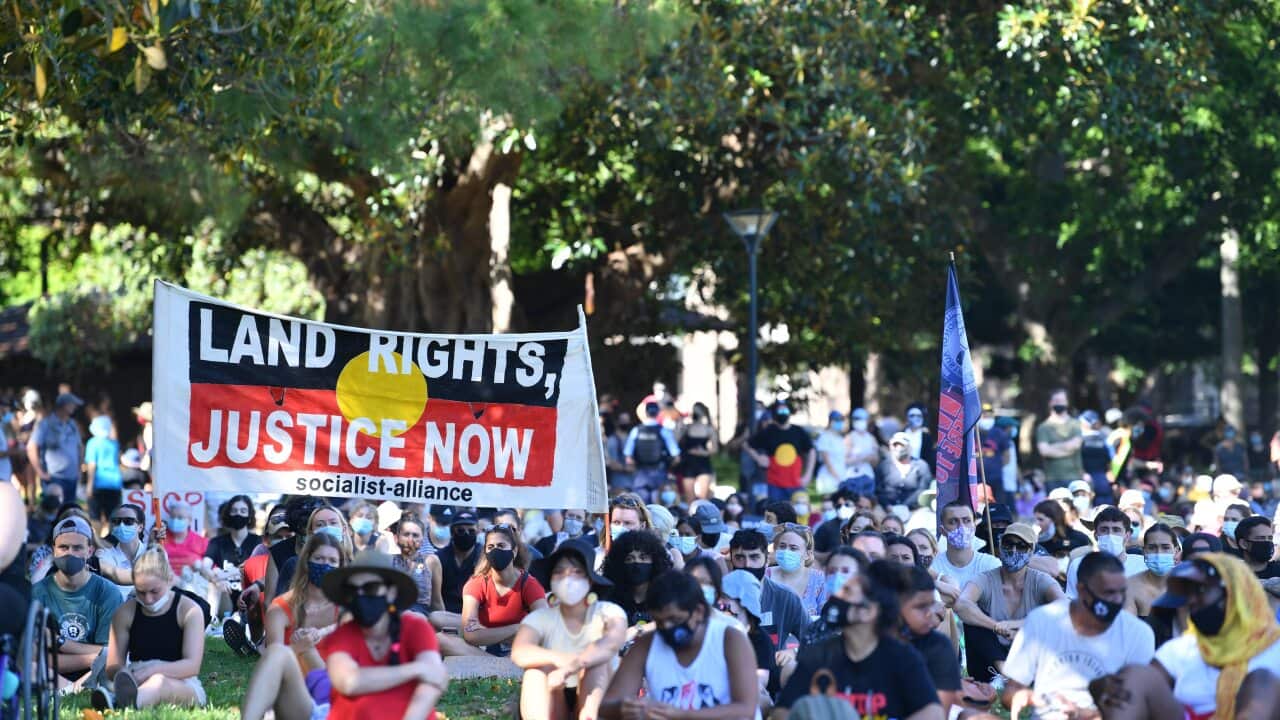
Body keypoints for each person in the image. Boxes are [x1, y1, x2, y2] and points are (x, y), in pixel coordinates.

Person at [1092, 553, 1280, 720]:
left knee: (1262, 680)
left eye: (1201, 591)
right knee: (1137, 674)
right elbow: (1138, 686)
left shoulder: (1274, 647)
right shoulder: (1183, 648)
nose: (1191, 600)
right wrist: (1108, 686)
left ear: (1232, 594)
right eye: (1189, 594)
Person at [775, 560, 944, 720]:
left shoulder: (902, 657)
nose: (836, 597)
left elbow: (933, 712)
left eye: (847, 592)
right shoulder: (819, 655)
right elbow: (781, 711)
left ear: (868, 611)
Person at [1001, 552, 1155, 720]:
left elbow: (1138, 706)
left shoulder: (1138, 634)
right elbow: (1010, 693)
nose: (1116, 600)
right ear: (1082, 590)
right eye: (1108, 593)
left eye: (1121, 592)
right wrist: (1028, 697)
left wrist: (1083, 714)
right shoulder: (1041, 621)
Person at [600, 570, 759, 719]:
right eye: (659, 622)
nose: (667, 627)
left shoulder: (730, 639)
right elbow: (605, 706)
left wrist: (683, 715)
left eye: (675, 619)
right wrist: (625, 708)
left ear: (699, 612)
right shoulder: (647, 644)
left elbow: (746, 709)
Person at [512, 539, 626, 720]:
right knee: (536, 672)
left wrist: (574, 665)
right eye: (559, 572)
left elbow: (611, 643)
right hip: (555, 690)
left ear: (590, 579)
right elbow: (520, 651)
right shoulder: (540, 618)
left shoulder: (609, 612)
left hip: (600, 691)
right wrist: (558, 659)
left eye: (577, 572)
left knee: (596, 666)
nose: (568, 579)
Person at [93, 548, 206, 710]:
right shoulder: (124, 612)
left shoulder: (189, 610)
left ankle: (118, 704)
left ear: (169, 580)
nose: (148, 599)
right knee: (150, 683)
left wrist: (153, 669)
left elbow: (192, 666)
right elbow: (112, 667)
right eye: (141, 592)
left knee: (159, 683)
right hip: (136, 677)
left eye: (155, 591)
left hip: (183, 683)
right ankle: (125, 699)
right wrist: (126, 674)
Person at [955, 522, 1064, 681]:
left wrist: (1017, 625)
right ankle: (1004, 673)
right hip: (990, 664)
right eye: (1008, 543)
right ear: (1000, 546)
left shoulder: (1040, 580)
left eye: (1021, 546)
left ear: (1031, 551)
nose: (1013, 550)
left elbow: (1065, 608)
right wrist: (996, 626)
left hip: (1030, 653)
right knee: (972, 619)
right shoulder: (985, 578)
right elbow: (961, 604)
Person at [31, 516, 124, 687]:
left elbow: (112, 653)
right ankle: (73, 689)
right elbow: (34, 653)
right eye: (63, 547)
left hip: (92, 673)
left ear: (90, 551)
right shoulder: (37, 593)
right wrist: (94, 658)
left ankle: (71, 689)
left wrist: (60, 642)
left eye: (77, 548)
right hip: (49, 672)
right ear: (54, 550)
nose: (70, 554)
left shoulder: (108, 593)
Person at [265, 530, 346, 700]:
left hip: (336, 691)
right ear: (307, 562)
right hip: (293, 691)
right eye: (319, 559)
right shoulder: (280, 608)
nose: (325, 565)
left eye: (332, 561)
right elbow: (271, 664)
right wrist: (298, 647)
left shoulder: (346, 607)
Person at [877, 562, 964, 716]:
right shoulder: (869, 641)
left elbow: (938, 712)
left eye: (932, 605)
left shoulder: (938, 645)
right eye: (920, 606)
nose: (930, 613)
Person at [461, 523, 548, 653]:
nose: (495, 550)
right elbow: (470, 635)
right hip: (485, 649)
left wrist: (486, 634)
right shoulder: (476, 583)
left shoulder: (529, 584)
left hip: (519, 649)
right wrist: (518, 628)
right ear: (485, 552)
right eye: (490, 547)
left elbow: (545, 628)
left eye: (501, 546)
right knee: (442, 638)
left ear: (514, 551)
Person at [729, 529, 809, 649]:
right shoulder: (718, 597)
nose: (747, 564)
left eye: (754, 557)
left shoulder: (785, 598)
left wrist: (793, 652)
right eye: (740, 558)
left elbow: (814, 639)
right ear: (731, 560)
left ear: (766, 561)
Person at [719, 570, 779, 711]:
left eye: (726, 598)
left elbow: (759, 682)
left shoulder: (761, 640)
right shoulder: (716, 633)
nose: (719, 603)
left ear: (743, 602)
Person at [1065, 506, 1149, 598]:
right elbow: (1071, 600)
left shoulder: (1142, 565)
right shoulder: (1078, 565)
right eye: (1104, 530)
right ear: (1096, 535)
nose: (1110, 535)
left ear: (1127, 535)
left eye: (1116, 530)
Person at [930, 501, 1000, 608]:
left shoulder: (991, 565)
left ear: (974, 527)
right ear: (942, 530)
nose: (961, 527)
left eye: (966, 521)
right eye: (953, 522)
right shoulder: (933, 567)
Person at [601, 529, 673, 628]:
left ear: (655, 561)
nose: (637, 563)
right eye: (630, 559)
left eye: (643, 558)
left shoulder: (666, 597)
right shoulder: (609, 598)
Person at [1124, 523, 1182, 647]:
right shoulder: (1130, 587)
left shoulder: (1185, 586)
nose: (1159, 553)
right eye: (1152, 548)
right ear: (1144, 551)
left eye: (1165, 548)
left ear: (1176, 551)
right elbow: (1129, 633)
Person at [746, 402, 815, 503]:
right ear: (774, 414)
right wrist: (758, 458)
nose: (782, 413)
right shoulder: (769, 431)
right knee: (775, 509)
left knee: (799, 509)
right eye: (779, 411)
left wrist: (808, 474)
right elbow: (747, 445)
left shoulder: (798, 431)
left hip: (796, 482)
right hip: (774, 484)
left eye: (785, 410)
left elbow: (811, 451)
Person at [27, 391, 84, 502]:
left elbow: (80, 447)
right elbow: (31, 447)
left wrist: (79, 469)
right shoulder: (45, 424)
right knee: (54, 510)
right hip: (54, 477)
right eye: (73, 404)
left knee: (69, 510)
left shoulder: (72, 424)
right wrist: (40, 472)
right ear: (65, 405)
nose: (75, 407)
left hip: (72, 477)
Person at [764, 523, 826, 617]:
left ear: (807, 554)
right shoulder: (764, 576)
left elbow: (825, 617)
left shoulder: (819, 580)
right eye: (782, 546)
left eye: (793, 548)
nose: (786, 552)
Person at [624, 401, 680, 502]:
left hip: (641, 474)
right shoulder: (664, 431)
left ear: (645, 413)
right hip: (660, 473)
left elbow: (628, 459)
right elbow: (676, 457)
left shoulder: (636, 431)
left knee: (642, 505)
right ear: (658, 413)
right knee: (658, 506)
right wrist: (669, 467)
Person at [390, 514, 444, 616]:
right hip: (395, 612)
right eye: (406, 534)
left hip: (421, 613)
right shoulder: (389, 561)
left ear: (422, 539)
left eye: (415, 535)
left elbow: (436, 600)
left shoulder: (431, 561)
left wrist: (443, 620)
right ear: (396, 538)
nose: (410, 539)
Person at [95, 502, 149, 598]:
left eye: (128, 521)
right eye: (117, 521)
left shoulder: (153, 553)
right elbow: (113, 592)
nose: (121, 525)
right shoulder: (104, 555)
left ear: (140, 527)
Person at [1036, 389, 1084, 491]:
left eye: (1062, 400)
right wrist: (1068, 449)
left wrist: (1052, 447)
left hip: (1075, 476)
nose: (1059, 403)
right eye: (1056, 401)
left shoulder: (1075, 424)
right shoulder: (1043, 427)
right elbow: (1044, 451)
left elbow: (1076, 445)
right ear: (1050, 403)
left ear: (1067, 402)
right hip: (1052, 479)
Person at [205, 494, 262, 577]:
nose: (238, 514)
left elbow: (261, 568)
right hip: (223, 584)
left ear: (250, 517)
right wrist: (215, 579)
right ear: (228, 515)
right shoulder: (216, 543)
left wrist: (229, 573)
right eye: (234, 511)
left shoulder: (259, 543)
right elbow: (205, 566)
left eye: (243, 511)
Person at [876, 432, 933, 508]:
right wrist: (887, 506)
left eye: (902, 445)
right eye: (895, 445)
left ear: (910, 447)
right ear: (890, 447)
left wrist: (906, 506)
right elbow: (878, 490)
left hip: (914, 509)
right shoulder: (883, 465)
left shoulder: (921, 466)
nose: (898, 448)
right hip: (886, 508)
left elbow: (922, 489)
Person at [84, 414, 123, 524]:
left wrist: (89, 485)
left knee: (95, 518)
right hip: (115, 483)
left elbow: (92, 464)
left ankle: (96, 535)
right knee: (113, 518)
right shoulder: (114, 444)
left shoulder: (92, 443)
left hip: (98, 484)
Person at [676, 402, 719, 501]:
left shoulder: (708, 429)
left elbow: (715, 449)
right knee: (689, 498)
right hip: (688, 464)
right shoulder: (687, 427)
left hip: (703, 463)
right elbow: (676, 440)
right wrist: (680, 425)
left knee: (702, 498)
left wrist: (702, 452)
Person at [162, 500, 210, 576]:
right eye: (172, 517)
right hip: (164, 580)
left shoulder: (202, 542)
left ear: (190, 520)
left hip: (194, 581)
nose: (175, 520)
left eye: (180, 517)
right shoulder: (160, 539)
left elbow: (211, 568)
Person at [814, 411, 848, 495]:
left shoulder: (840, 438)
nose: (840, 423)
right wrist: (838, 478)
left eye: (841, 420)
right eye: (837, 420)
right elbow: (827, 462)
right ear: (831, 422)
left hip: (841, 476)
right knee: (829, 501)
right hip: (828, 478)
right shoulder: (824, 437)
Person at [902, 402, 937, 472]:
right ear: (907, 418)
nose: (916, 418)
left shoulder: (926, 437)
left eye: (919, 416)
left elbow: (930, 457)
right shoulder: (901, 435)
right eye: (912, 416)